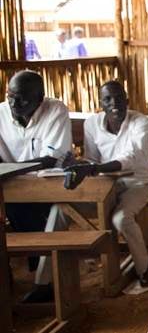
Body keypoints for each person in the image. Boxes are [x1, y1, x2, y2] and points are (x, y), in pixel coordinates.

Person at [64, 81, 148, 289]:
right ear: (100, 103)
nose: (113, 103)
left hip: (138, 183)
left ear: (127, 100)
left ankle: (145, 268)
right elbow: (92, 159)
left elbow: (132, 156)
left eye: (118, 97)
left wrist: (94, 169)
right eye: (107, 99)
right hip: (105, 184)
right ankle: (48, 280)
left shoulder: (140, 122)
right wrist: (80, 165)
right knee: (61, 210)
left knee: (121, 218)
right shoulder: (92, 124)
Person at [0, 70, 71, 302]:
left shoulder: (55, 111)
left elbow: (50, 159)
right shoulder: (0, 113)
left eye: (22, 98)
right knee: (13, 209)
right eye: (10, 95)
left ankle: (45, 281)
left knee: (54, 215)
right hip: (11, 187)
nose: (13, 102)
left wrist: (10, 169)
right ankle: (13, 277)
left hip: (47, 185)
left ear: (40, 98)